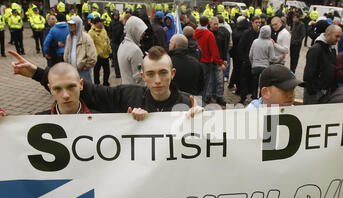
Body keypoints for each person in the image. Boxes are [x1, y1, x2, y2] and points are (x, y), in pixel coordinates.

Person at [10, 46, 203, 118]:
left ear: (173, 73)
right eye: (151, 74)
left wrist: (203, 118)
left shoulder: (189, 102)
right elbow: (81, 89)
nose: (158, 80)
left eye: (163, 72)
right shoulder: (128, 95)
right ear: (142, 77)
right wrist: (37, 73)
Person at [303, 24, 342, 105]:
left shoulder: (332, 49)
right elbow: (308, 74)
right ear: (328, 34)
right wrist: (313, 90)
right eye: (337, 36)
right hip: (315, 93)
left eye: (339, 36)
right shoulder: (316, 49)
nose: (339, 39)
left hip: (326, 91)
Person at [194, 15, 225, 104]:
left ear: (199, 22)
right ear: (208, 23)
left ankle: (197, 101)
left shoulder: (194, 32)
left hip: (196, 61)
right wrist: (219, 62)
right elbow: (214, 50)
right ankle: (202, 102)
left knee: (197, 82)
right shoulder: (209, 34)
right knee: (205, 84)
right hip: (206, 62)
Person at [249, 25, 284, 91]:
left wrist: (252, 64)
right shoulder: (269, 43)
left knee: (254, 83)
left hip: (255, 66)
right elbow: (272, 58)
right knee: (263, 85)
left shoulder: (255, 41)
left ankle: (254, 97)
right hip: (264, 67)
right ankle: (261, 98)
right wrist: (281, 57)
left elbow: (250, 55)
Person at [64, 16, 97, 83]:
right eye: (69, 24)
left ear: (78, 25)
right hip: (71, 71)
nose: (70, 26)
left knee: (85, 91)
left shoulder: (86, 38)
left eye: (72, 24)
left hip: (83, 72)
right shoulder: (69, 38)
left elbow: (92, 57)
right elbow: (67, 52)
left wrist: (83, 66)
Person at [117, 16, 147, 85]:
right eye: (141, 30)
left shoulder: (122, 44)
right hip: (135, 91)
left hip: (126, 87)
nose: (144, 33)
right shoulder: (135, 50)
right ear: (134, 30)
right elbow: (139, 78)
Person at [237, 15, 261, 104]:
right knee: (244, 79)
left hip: (256, 62)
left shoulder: (260, 34)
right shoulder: (247, 33)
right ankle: (243, 97)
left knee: (255, 80)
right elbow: (241, 47)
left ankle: (254, 97)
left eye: (259, 23)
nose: (258, 24)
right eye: (256, 22)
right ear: (252, 23)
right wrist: (244, 59)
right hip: (247, 60)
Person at [209, 16, 230, 106]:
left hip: (219, 61)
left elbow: (224, 48)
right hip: (209, 61)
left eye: (217, 24)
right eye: (215, 24)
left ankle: (219, 96)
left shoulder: (221, 34)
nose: (216, 26)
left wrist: (225, 59)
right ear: (210, 24)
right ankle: (209, 96)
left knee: (220, 81)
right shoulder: (208, 34)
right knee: (209, 81)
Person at [89, 17, 112, 86]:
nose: (102, 23)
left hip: (105, 55)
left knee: (107, 71)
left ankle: (105, 83)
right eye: (101, 22)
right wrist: (93, 55)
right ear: (96, 23)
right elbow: (90, 45)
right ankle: (97, 84)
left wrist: (110, 51)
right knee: (96, 72)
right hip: (97, 56)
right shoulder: (91, 32)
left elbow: (107, 41)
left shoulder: (103, 30)